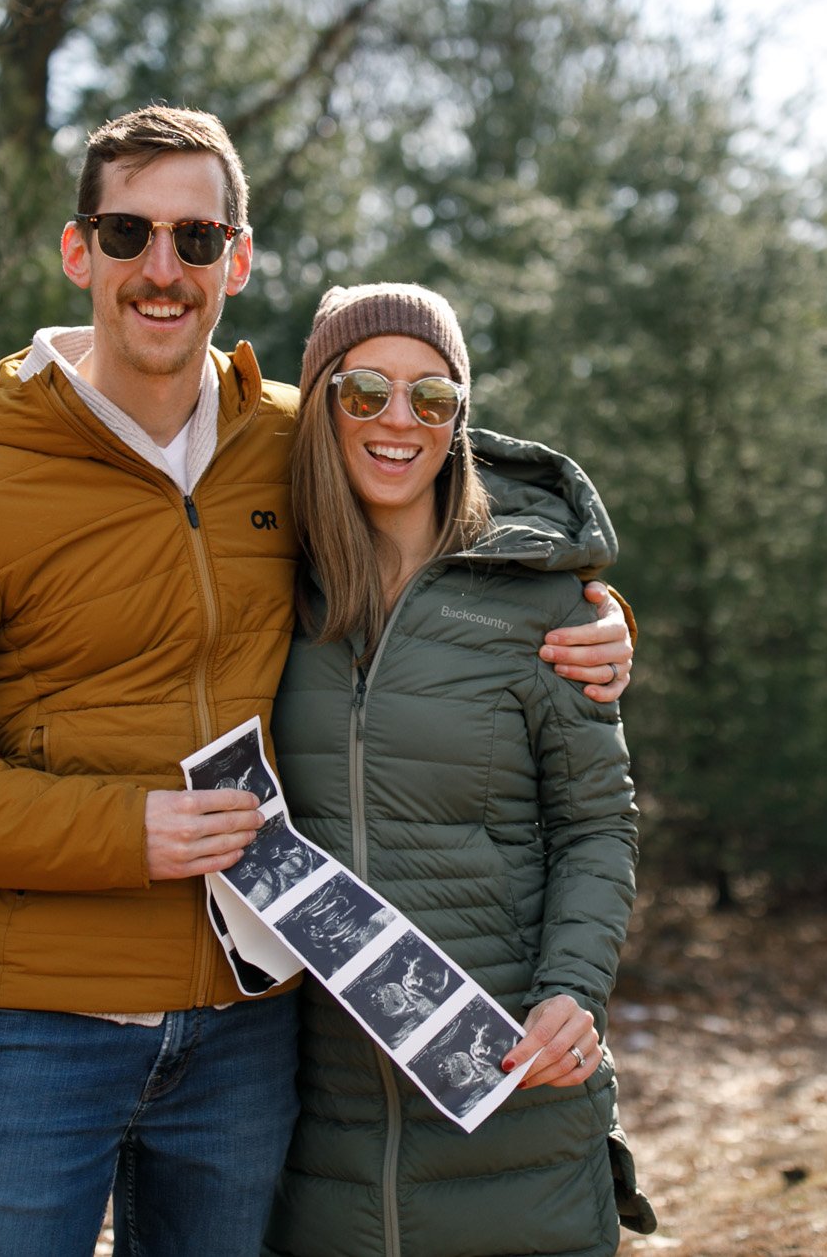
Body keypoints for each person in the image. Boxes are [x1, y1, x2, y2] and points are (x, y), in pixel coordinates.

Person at [0, 107, 634, 1257]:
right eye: (128, 231)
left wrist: (590, 614)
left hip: (247, 1035)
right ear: (77, 249)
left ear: (236, 262)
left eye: (196, 240)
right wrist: (125, 829)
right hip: (37, 1027)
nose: (161, 268)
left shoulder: (288, 443)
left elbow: (453, 494)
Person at [264, 283, 652, 1257]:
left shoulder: (539, 598)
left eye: (430, 397)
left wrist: (574, 988)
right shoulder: (262, 582)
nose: (399, 420)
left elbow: (596, 823)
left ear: (459, 418)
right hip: (316, 1123)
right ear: (318, 403)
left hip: (517, 1096)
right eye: (364, 391)